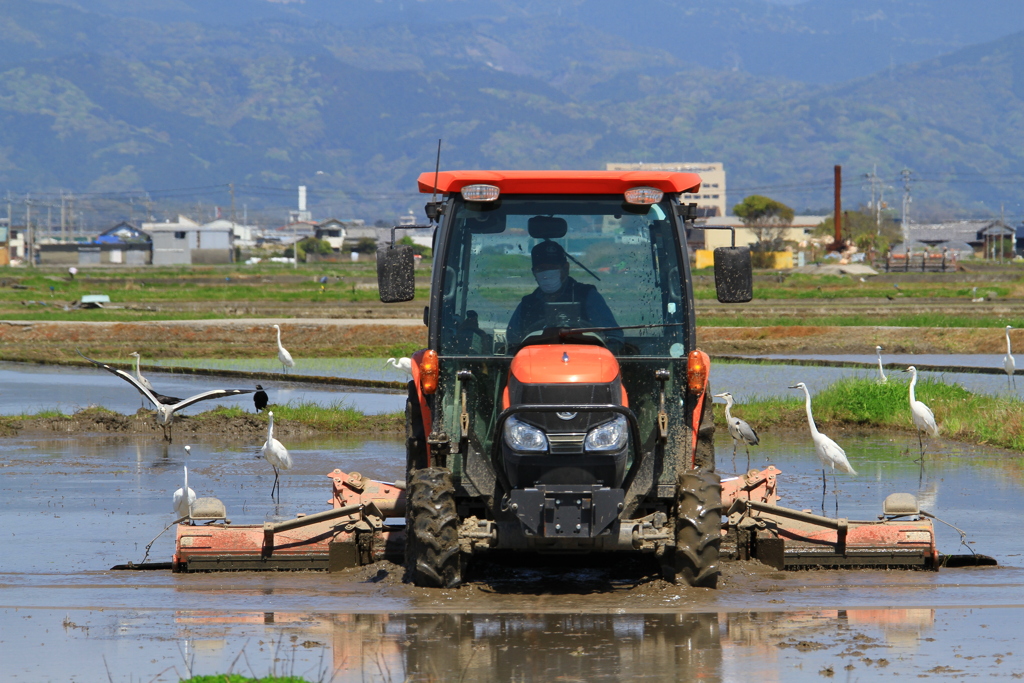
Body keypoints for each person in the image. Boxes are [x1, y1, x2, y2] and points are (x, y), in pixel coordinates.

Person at [507, 240, 623, 350]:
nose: (547, 274)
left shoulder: (588, 296)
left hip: (584, 362)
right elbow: (513, 342)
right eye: (541, 269)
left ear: (566, 268)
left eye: (552, 268)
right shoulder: (527, 304)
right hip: (537, 364)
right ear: (534, 273)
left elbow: (613, 337)